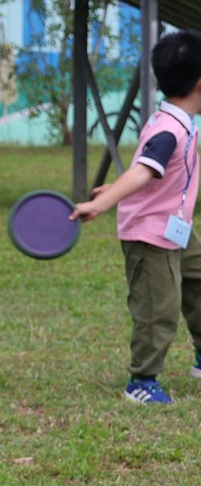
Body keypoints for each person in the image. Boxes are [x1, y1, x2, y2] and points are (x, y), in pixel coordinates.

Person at [69, 29, 201, 405]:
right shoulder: (169, 130)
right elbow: (143, 170)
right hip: (150, 234)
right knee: (159, 308)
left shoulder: (179, 120)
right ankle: (141, 381)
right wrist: (103, 202)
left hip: (176, 227)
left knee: (199, 281)